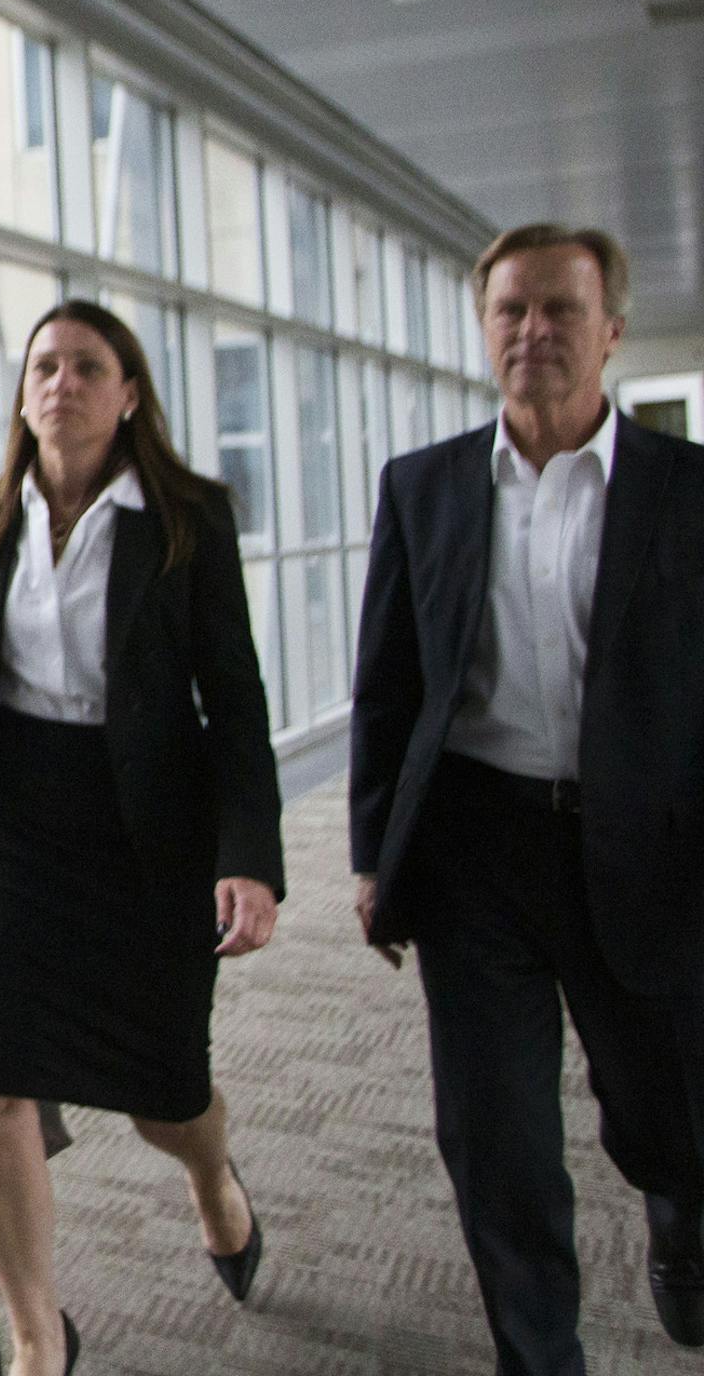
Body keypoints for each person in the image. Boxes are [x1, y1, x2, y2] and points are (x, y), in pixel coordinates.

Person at [350, 223, 704, 1373]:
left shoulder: (685, 491)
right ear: (483, 327)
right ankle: (538, 1357)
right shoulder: (426, 488)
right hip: (479, 849)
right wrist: (373, 856)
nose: (533, 332)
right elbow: (388, 684)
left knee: (671, 1114)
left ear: (611, 331)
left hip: (650, 846)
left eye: (560, 310)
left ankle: (679, 1203)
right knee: (495, 1138)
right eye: (511, 310)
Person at [0, 299, 285, 1376]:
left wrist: (250, 857)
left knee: (166, 1097)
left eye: (88, 366)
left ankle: (214, 1178)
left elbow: (235, 698)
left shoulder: (189, 519)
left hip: (145, 826)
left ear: (128, 395)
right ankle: (39, 1334)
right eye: (45, 365)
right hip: (10, 817)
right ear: (24, 390)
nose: (62, 383)